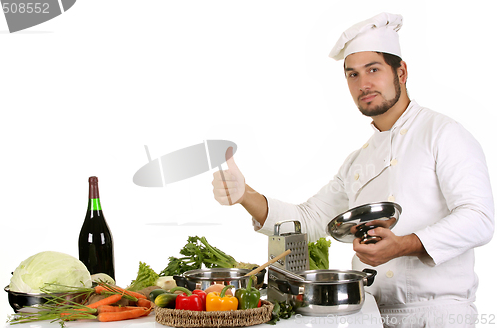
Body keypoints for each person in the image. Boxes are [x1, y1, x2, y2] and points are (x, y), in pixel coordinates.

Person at [212, 12, 494, 328]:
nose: (364, 84)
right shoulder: (357, 161)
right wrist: (244, 194)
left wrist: (404, 244)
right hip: (368, 313)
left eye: (373, 70)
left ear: (401, 72)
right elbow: (309, 219)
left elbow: (480, 218)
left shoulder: (443, 133)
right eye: (353, 75)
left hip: (438, 316)